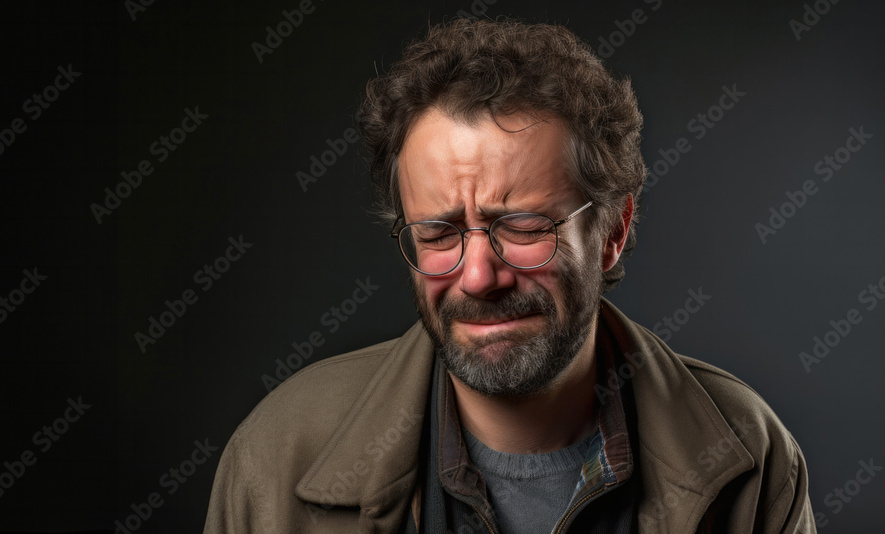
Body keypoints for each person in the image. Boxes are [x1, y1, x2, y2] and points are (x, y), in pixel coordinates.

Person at [203, 18, 815, 533]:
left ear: (612, 230)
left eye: (523, 227)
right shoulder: (274, 460)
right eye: (439, 233)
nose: (478, 277)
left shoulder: (751, 457)